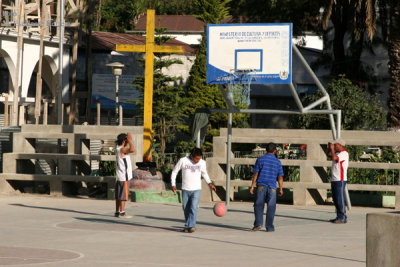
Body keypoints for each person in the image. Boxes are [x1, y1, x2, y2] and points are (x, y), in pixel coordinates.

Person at [171, 148, 216, 233]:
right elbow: (174, 172)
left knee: (193, 207)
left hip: (197, 189)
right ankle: (188, 225)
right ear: (191, 156)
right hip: (185, 188)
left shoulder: (202, 163)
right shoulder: (183, 160)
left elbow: (204, 173)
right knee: (186, 208)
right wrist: (173, 184)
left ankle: (191, 226)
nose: (198, 160)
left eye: (199, 158)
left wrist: (210, 183)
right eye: (196, 159)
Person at [250, 142, 284, 232]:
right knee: (271, 207)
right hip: (272, 187)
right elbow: (280, 176)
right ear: (275, 151)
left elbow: (255, 174)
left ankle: (258, 223)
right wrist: (281, 188)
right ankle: (269, 227)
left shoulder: (260, 159)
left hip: (261, 186)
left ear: (266, 150)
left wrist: (252, 186)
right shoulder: (277, 162)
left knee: (258, 205)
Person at [326, 138, 349, 224]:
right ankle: (338, 216)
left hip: (340, 179)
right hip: (334, 179)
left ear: (340, 145)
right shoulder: (337, 153)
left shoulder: (344, 153)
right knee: (335, 199)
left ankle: (342, 217)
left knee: (340, 199)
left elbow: (335, 158)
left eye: (336, 145)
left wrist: (331, 149)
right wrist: (329, 148)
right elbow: (328, 155)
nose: (334, 146)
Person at [114, 133, 135, 218]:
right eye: (126, 141)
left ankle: (117, 211)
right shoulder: (122, 149)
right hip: (124, 176)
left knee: (118, 195)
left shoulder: (118, 148)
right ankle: (122, 212)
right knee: (123, 195)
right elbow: (132, 149)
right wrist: (130, 141)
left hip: (119, 175)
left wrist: (127, 139)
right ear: (124, 141)